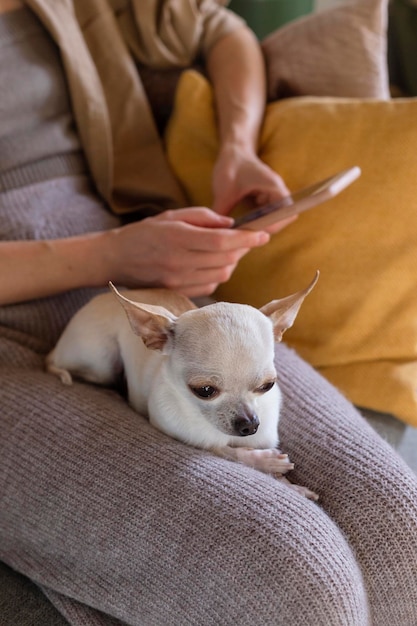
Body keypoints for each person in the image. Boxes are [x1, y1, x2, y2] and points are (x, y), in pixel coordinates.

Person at [1, 1, 416, 625]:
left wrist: (236, 148)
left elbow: (221, 31)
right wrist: (110, 254)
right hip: (28, 343)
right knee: (298, 582)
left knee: (401, 537)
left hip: (163, 304)